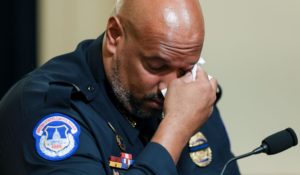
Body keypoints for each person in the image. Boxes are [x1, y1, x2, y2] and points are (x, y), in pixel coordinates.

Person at [0, 0, 240, 174]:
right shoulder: (47, 107)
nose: (170, 88)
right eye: (156, 66)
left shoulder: (190, 93)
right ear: (115, 35)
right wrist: (175, 128)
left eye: (186, 69)